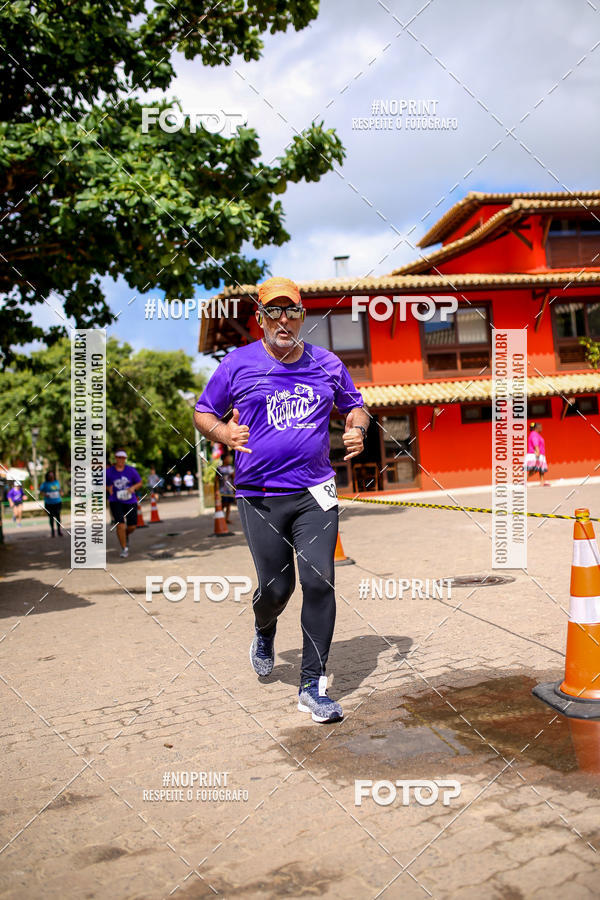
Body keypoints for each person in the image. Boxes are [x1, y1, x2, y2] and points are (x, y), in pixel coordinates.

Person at [194, 276, 369, 723]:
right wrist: (223, 432)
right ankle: (264, 628)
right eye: (273, 311)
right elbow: (202, 412)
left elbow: (356, 405)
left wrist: (357, 427)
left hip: (316, 493)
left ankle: (313, 685)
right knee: (276, 589)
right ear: (260, 319)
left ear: (302, 316)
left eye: (290, 311)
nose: (283, 319)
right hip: (260, 495)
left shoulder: (327, 363)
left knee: (319, 582)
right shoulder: (237, 364)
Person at [105, 450, 143, 558]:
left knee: (132, 526)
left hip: (130, 501)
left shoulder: (131, 470)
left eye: (123, 458)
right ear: (115, 458)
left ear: (125, 459)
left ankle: (125, 535)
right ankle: (124, 548)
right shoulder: (108, 471)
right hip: (115, 501)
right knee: (120, 525)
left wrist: (133, 488)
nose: (120, 459)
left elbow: (139, 483)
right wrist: (108, 488)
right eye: (118, 457)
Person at [39, 470, 63, 537]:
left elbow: (60, 490)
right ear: (47, 476)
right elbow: (41, 492)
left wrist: (61, 492)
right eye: (50, 475)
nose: (51, 477)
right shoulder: (45, 484)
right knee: (51, 517)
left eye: (52, 475)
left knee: (58, 516)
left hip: (57, 502)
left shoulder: (56, 482)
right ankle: (52, 531)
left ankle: (59, 530)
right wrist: (45, 494)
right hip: (49, 503)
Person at [217, 452, 235, 523]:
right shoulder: (219, 468)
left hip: (229, 489)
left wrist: (234, 488)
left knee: (228, 504)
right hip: (222, 490)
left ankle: (226, 518)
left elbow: (233, 478)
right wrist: (216, 490)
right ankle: (221, 517)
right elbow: (216, 480)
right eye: (228, 458)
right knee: (223, 504)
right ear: (224, 459)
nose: (229, 459)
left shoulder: (230, 468)